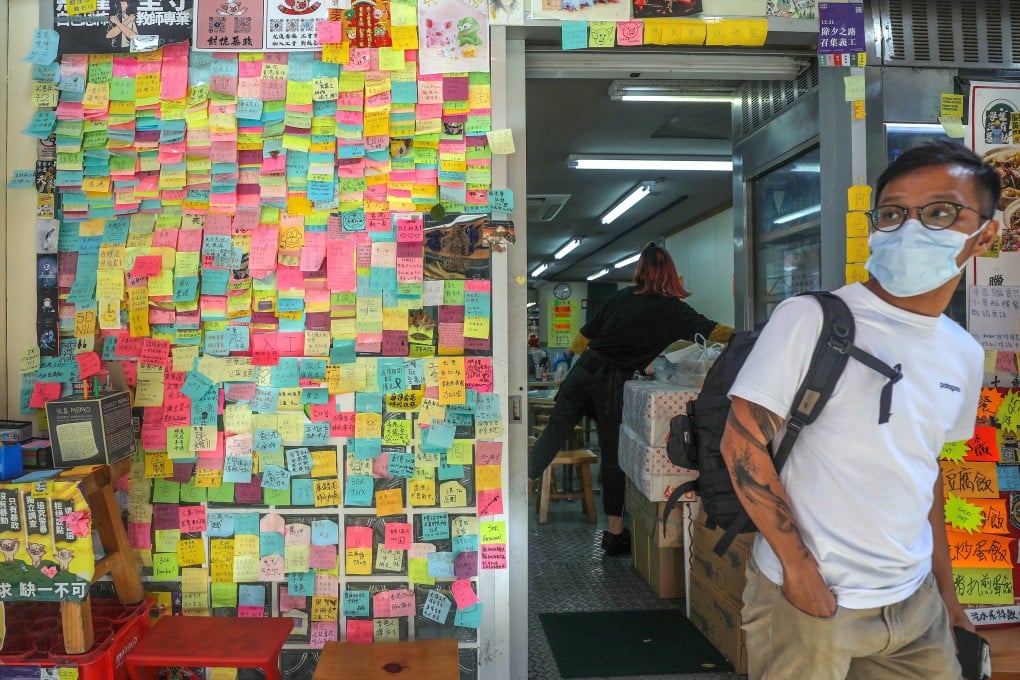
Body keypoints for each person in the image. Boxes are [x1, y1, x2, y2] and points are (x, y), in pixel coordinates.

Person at [722, 139, 999, 679]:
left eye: (941, 212)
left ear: (986, 234)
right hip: (812, 600)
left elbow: (926, 473)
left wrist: (947, 595)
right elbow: (741, 442)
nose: (911, 229)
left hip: (916, 603)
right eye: (893, 214)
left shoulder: (963, 353)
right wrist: (798, 570)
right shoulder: (811, 319)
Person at [529, 242, 733, 555]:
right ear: (670, 273)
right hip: (612, 383)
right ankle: (614, 534)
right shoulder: (674, 309)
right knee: (614, 455)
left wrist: (566, 355)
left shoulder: (619, 297)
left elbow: (584, 336)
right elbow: (713, 331)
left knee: (553, 434)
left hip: (583, 373)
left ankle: (510, 498)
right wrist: (750, 336)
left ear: (640, 270)